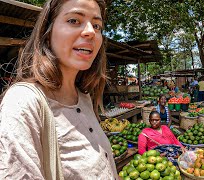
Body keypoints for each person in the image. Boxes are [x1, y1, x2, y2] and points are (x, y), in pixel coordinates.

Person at [0, 0, 118, 179]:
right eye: (74, 21)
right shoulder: (23, 101)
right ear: (47, 32)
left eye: (97, 25)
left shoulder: (85, 97)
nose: (90, 32)